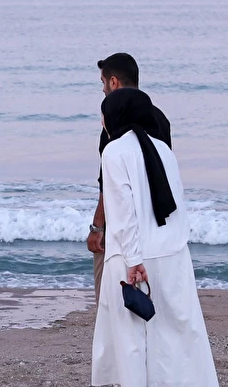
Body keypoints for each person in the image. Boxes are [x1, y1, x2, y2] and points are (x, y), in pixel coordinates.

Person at [91, 88, 218, 386]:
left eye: (103, 114)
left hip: (130, 258)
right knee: (177, 339)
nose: (102, 121)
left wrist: (134, 260)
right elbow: (177, 207)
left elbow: (123, 212)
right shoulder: (164, 149)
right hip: (172, 255)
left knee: (130, 342)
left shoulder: (114, 151)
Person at [87, 53, 171, 303]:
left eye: (103, 82)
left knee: (109, 296)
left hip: (122, 223)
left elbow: (109, 183)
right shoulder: (160, 119)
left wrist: (97, 227)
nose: (103, 89)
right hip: (155, 221)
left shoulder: (114, 121)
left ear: (114, 82)